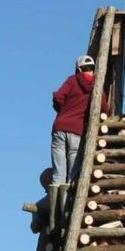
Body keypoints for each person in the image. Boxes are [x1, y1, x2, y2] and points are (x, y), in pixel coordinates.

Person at [50, 54, 107, 185]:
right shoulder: (97, 87)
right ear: (93, 69)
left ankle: (56, 204)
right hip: (77, 131)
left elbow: (58, 97)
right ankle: (67, 202)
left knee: (58, 173)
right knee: (72, 175)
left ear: (79, 69)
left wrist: (63, 110)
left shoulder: (72, 80)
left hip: (60, 127)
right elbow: (105, 110)